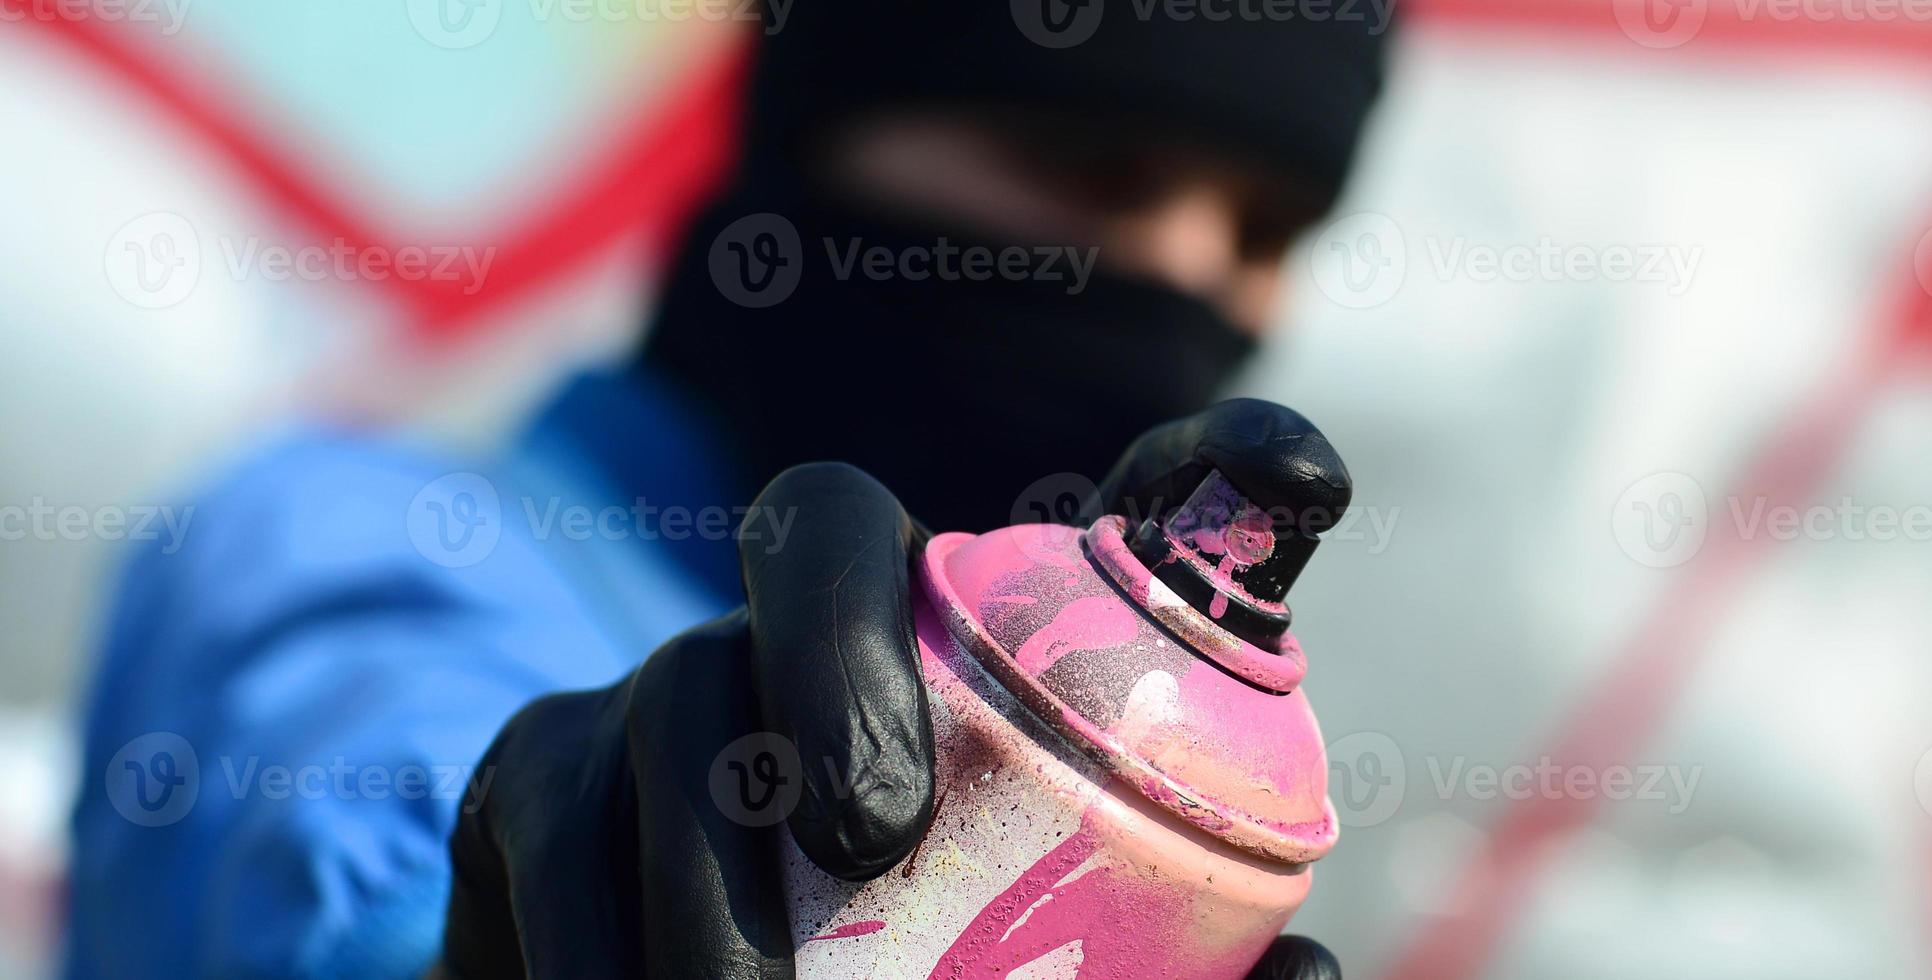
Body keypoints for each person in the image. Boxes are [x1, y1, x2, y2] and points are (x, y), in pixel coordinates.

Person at [67, 2, 1386, 977]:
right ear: (817, 139)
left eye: (1268, 232)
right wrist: (501, 922)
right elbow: (363, 817)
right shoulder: (333, 535)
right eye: (1094, 169)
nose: (1182, 270)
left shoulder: (1168, 774)